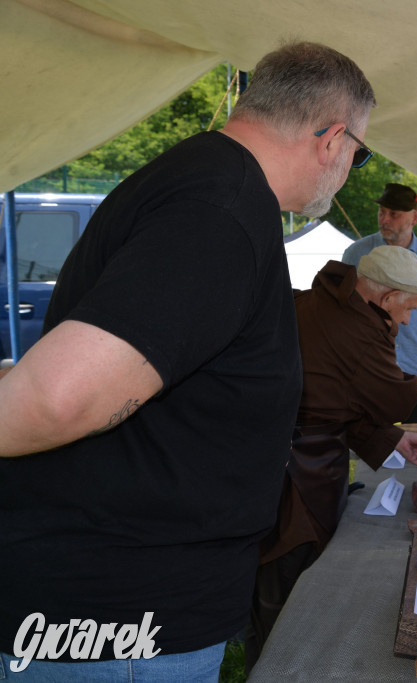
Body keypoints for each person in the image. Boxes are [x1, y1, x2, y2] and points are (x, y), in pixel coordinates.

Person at [0, 41, 374, 679]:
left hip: (122, 602)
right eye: (359, 153)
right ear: (332, 139)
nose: (350, 167)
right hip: (118, 616)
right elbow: (58, 398)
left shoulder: (212, 186)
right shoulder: (219, 209)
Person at [246, 246, 417, 671]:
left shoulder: (317, 299)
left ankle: (266, 660)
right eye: (405, 309)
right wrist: (397, 414)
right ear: (386, 298)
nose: (405, 321)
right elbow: (393, 401)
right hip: (299, 473)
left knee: (273, 582)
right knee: (287, 588)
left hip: (274, 457)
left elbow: (329, 394)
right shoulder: (362, 330)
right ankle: (276, 669)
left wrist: (389, 440)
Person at [342, 183, 417, 423]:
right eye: (382, 212)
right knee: (372, 451)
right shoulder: (356, 254)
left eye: (394, 214)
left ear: (415, 217)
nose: (384, 219)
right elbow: (344, 307)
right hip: (368, 372)